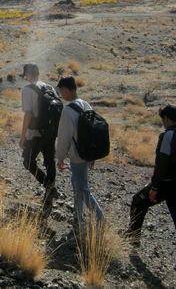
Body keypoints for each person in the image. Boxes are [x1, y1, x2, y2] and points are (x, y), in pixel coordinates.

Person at [125, 104, 176, 284]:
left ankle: (133, 240)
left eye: (163, 120)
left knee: (138, 201)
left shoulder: (169, 135)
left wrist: (155, 188)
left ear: (166, 119)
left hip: (167, 186)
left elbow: (162, 164)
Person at [55, 76, 104, 233]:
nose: (62, 95)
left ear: (67, 90)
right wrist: (93, 156)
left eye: (62, 91)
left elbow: (63, 138)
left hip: (76, 155)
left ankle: (100, 217)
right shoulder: (86, 105)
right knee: (78, 183)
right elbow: (94, 131)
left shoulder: (68, 111)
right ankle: (77, 217)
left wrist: (60, 158)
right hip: (87, 152)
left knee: (82, 187)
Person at [19, 63, 59, 200]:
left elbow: (28, 114)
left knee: (28, 162)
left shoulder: (27, 89)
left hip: (35, 133)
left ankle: (49, 187)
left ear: (27, 74)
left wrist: (23, 136)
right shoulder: (49, 87)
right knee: (49, 161)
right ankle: (50, 192)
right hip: (51, 131)